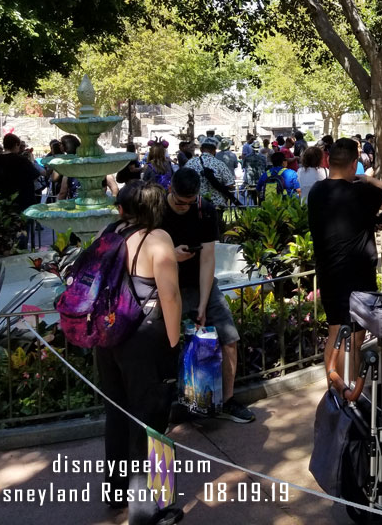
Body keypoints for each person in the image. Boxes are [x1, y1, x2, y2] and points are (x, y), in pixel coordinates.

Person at [96, 181, 183, 525]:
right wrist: (174, 344)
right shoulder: (157, 238)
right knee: (152, 422)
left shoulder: (110, 233)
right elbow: (171, 297)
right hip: (146, 339)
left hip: (109, 335)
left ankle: (116, 491)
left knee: (117, 413)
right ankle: (148, 510)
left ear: (123, 207)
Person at [160, 168, 254, 422]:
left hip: (201, 284)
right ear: (170, 189)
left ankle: (227, 401)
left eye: (190, 203)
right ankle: (167, 406)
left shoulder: (205, 209)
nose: (184, 207)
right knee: (166, 344)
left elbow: (207, 258)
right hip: (165, 285)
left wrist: (203, 304)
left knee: (229, 337)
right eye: (180, 202)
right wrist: (171, 254)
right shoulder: (157, 209)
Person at [307, 138, 382, 381]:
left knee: (336, 332)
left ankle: (335, 389)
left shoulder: (317, 191)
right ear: (354, 164)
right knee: (351, 338)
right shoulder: (362, 191)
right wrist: (370, 180)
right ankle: (347, 392)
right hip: (356, 275)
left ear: (329, 162)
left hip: (328, 273)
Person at [0, 133, 40, 212]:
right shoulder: (21, 160)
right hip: (22, 199)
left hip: (2, 197)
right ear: (16, 145)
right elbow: (35, 174)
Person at [184, 137, 236, 210]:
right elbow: (230, 184)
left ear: (201, 149)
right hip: (217, 205)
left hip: (196, 204)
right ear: (214, 151)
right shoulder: (220, 165)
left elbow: (183, 182)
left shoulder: (190, 163)